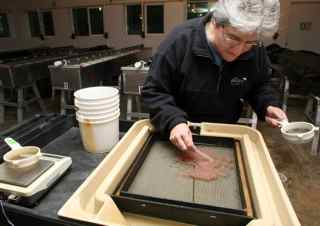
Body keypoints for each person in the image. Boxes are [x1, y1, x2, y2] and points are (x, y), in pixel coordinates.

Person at [141, 0, 287, 152]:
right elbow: (154, 91)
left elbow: (260, 84)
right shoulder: (180, 41)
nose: (238, 51)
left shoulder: (256, 50)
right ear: (215, 21)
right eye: (233, 38)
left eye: (249, 42)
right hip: (177, 133)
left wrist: (267, 104)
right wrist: (173, 121)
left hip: (224, 133)